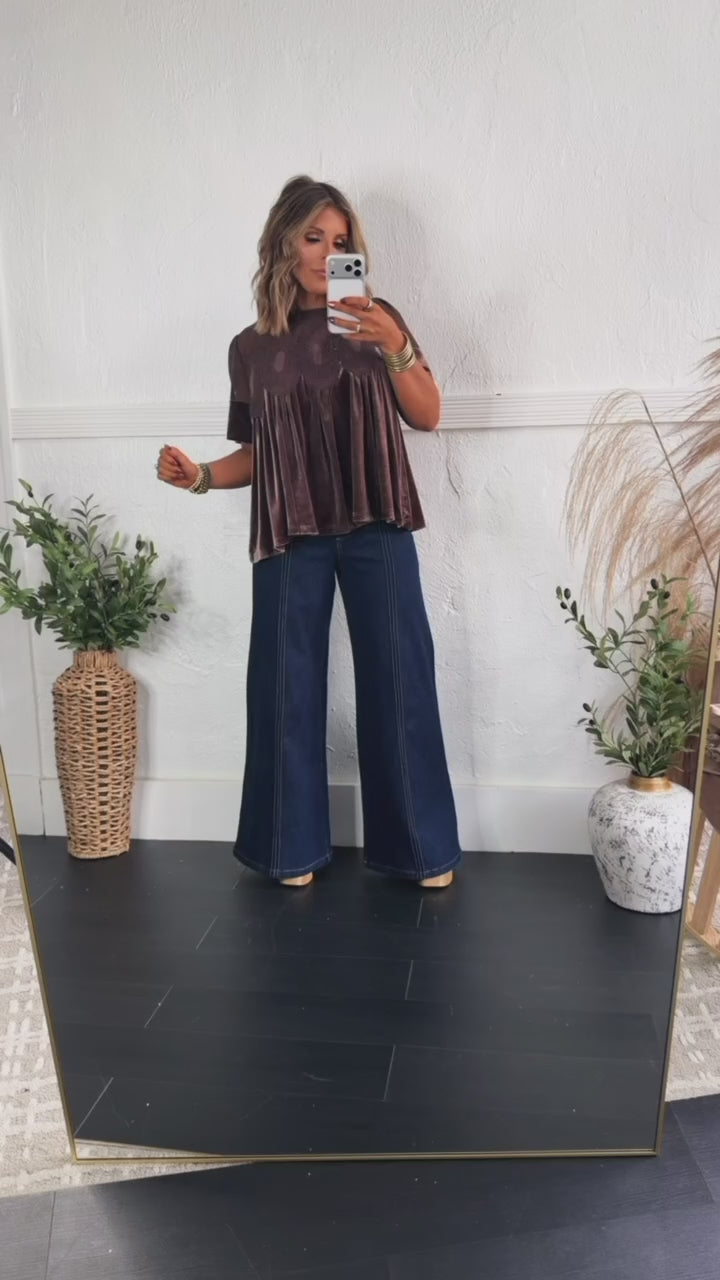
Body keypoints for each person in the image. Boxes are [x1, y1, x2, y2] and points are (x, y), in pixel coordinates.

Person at [156, 176, 461, 889]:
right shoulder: (250, 348)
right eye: (314, 237)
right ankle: (287, 848)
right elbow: (257, 454)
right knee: (283, 688)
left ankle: (421, 850)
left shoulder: (376, 319)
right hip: (289, 532)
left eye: (341, 240)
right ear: (284, 244)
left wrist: (395, 345)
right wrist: (199, 476)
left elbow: (428, 415)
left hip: (378, 520)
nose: (328, 253)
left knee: (401, 678)